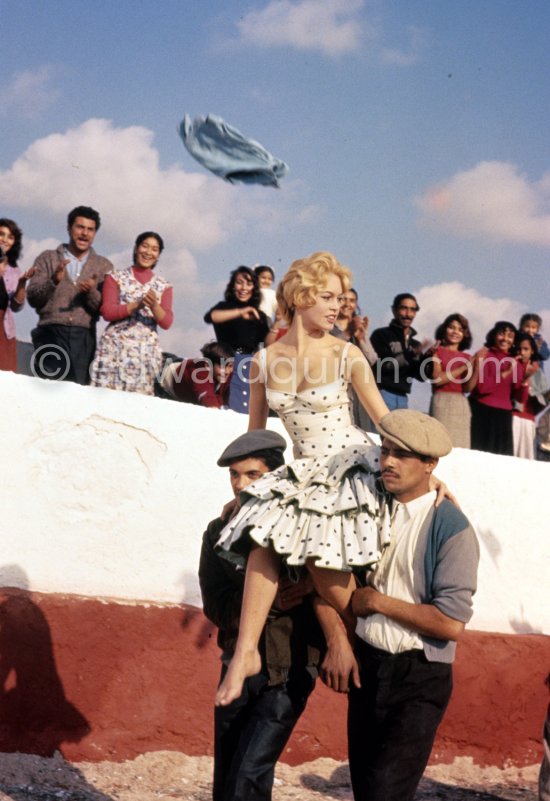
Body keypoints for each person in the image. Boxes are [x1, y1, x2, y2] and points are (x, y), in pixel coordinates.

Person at [214, 251, 395, 707]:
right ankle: (245, 655)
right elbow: (256, 437)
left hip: (353, 465)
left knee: (334, 585)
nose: (339, 306)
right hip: (305, 469)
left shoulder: (347, 353)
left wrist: (427, 475)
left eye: (341, 298)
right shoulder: (263, 359)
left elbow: (386, 422)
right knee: (262, 538)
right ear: (300, 296)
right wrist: (246, 494)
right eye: (328, 296)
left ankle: (374, 659)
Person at [339, 410, 478, 801]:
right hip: (369, 664)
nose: (388, 462)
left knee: (387, 793)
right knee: (366, 790)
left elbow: (450, 623)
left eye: (401, 455)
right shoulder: (372, 502)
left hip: (419, 674)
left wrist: (376, 602)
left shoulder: (452, 528)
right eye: (385, 451)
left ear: (430, 464)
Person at [199, 430, 323, 801]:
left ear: (273, 475)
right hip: (236, 659)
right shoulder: (219, 532)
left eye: (251, 474)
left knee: (250, 772)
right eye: (234, 475)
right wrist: (268, 601)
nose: (240, 484)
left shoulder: (307, 525)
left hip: (289, 669)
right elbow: (215, 603)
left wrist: (307, 589)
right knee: (228, 776)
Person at [27, 206, 112, 384]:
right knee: (49, 390)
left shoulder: (104, 266)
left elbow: (104, 310)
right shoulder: (48, 258)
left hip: (83, 337)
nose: (84, 234)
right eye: (80, 227)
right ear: (69, 228)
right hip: (50, 332)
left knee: (77, 395)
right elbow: (33, 298)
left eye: (90, 229)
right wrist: (54, 282)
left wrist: (90, 292)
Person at [90, 232, 173, 395]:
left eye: (154, 249)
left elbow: (167, 322)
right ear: (136, 249)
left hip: (145, 351)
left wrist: (154, 305)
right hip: (115, 348)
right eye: (145, 246)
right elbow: (107, 311)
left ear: (158, 256)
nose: (148, 252)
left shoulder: (164, 286)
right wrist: (137, 304)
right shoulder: (115, 277)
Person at [204, 266, 270, 414]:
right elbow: (210, 317)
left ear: (254, 287)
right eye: (239, 282)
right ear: (233, 286)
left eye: (249, 283)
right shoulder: (225, 307)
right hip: (226, 362)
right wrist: (241, 312)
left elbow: (266, 343)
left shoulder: (259, 315)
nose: (243, 288)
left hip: (249, 364)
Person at [469, 321, 526, 455]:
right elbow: (481, 388)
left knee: (500, 459)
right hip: (481, 411)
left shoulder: (515, 362)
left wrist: (526, 380)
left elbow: (520, 398)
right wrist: (504, 373)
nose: (505, 339)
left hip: (503, 416)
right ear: (494, 335)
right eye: (501, 334)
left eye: (510, 336)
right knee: (477, 455)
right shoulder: (485, 355)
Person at [332, 287, 378, 431]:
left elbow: (372, 359)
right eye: (343, 299)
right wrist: (347, 333)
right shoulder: (328, 327)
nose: (347, 304)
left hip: (357, 389)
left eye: (352, 300)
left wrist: (361, 338)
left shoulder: (359, 329)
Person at [370, 293, 426, 410]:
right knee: (378, 428)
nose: (408, 314)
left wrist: (429, 358)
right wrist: (410, 354)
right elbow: (382, 366)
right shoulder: (381, 335)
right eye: (403, 308)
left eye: (412, 310)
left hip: (403, 398)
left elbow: (421, 376)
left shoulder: (415, 344)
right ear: (394, 310)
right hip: (382, 393)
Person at [427, 313, 474, 448]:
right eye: (452, 327)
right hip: (441, 400)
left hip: (461, 403)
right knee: (439, 443)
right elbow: (437, 379)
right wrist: (464, 367)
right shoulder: (437, 351)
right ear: (444, 329)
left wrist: (476, 365)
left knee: (461, 446)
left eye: (460, 329)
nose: (455, 332)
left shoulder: (467, 356)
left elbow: (468, 388)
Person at [0, 218, 34, 372]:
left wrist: (22, 284)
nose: (5, 240)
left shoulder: (14, 270)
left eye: (10, 237)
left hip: (4, 329)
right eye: (1, 234)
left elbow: (16, 306)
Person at [161, 341, 234, 408]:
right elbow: (209, 401)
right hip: (163, 378)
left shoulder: (228, 373)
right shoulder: (200, 374)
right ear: (207, 365)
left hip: (183, 365)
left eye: (230, 366)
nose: (227, 371)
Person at [512, 332, 542, 460]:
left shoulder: (538, 371)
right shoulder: (511, 366)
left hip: (529, 419)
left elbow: (544, 399)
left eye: (526, 349)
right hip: (512, 417)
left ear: (532, 351)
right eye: (519, 349)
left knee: (527, 459)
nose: (522, 352)